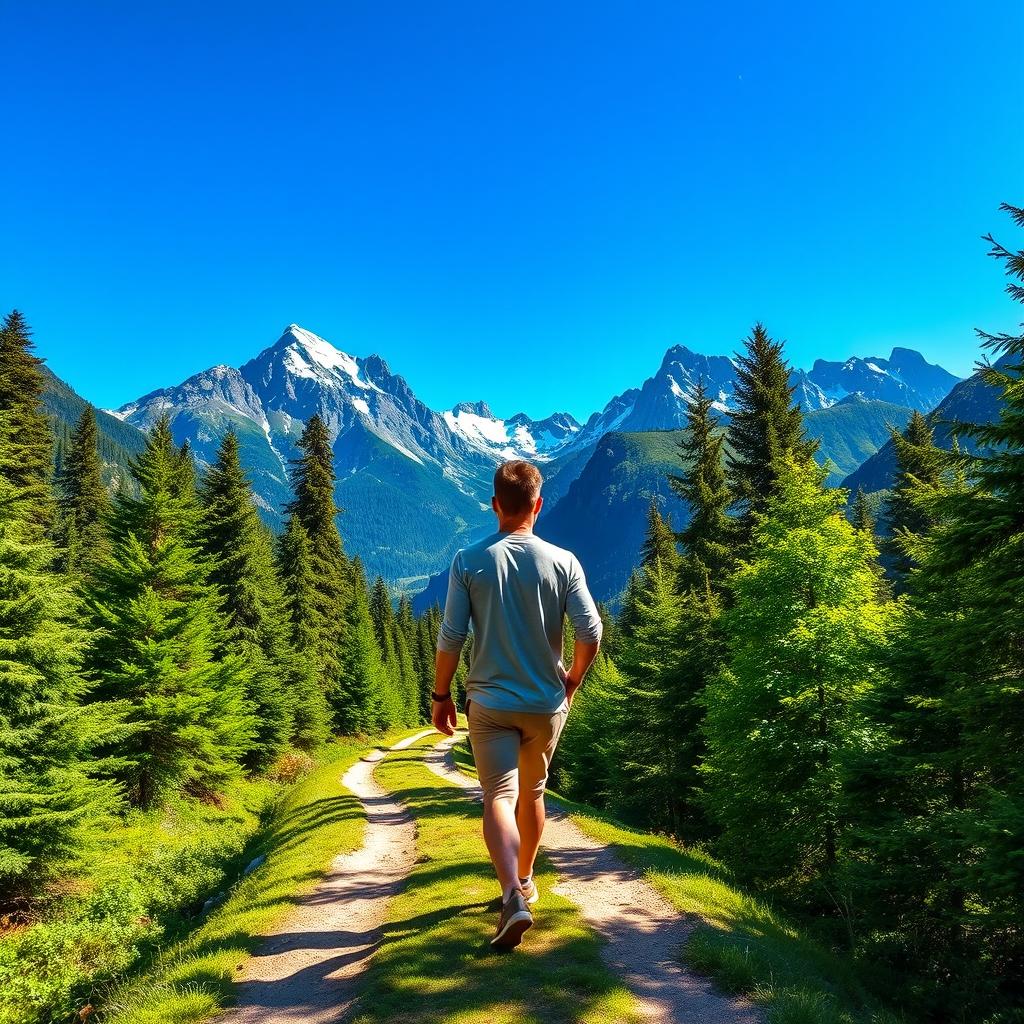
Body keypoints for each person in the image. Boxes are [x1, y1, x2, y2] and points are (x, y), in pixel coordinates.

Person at [432, 459, 603, 949]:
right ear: (538, 504)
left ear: (495, 506)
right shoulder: (563, 561)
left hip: (488, 701)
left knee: (499, 797)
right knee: (533, 794)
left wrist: (441, 695)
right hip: (545, 704)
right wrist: (571, 681)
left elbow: (451, 637)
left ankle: (511, 895)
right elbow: (590, 632)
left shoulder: (469, 561)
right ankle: (524, 880)